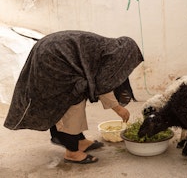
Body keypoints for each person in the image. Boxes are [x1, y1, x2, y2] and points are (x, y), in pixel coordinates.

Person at [4, 30, 144, 164]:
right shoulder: (110, 56)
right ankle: (72, 152)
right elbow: (103, 86)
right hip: (53, 58)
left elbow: (100, 82)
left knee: (77, 91)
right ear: (126, 56)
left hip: (51, 51)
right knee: (71, 97)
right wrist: (118, 109)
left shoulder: (108, 49)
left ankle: (79, 141)